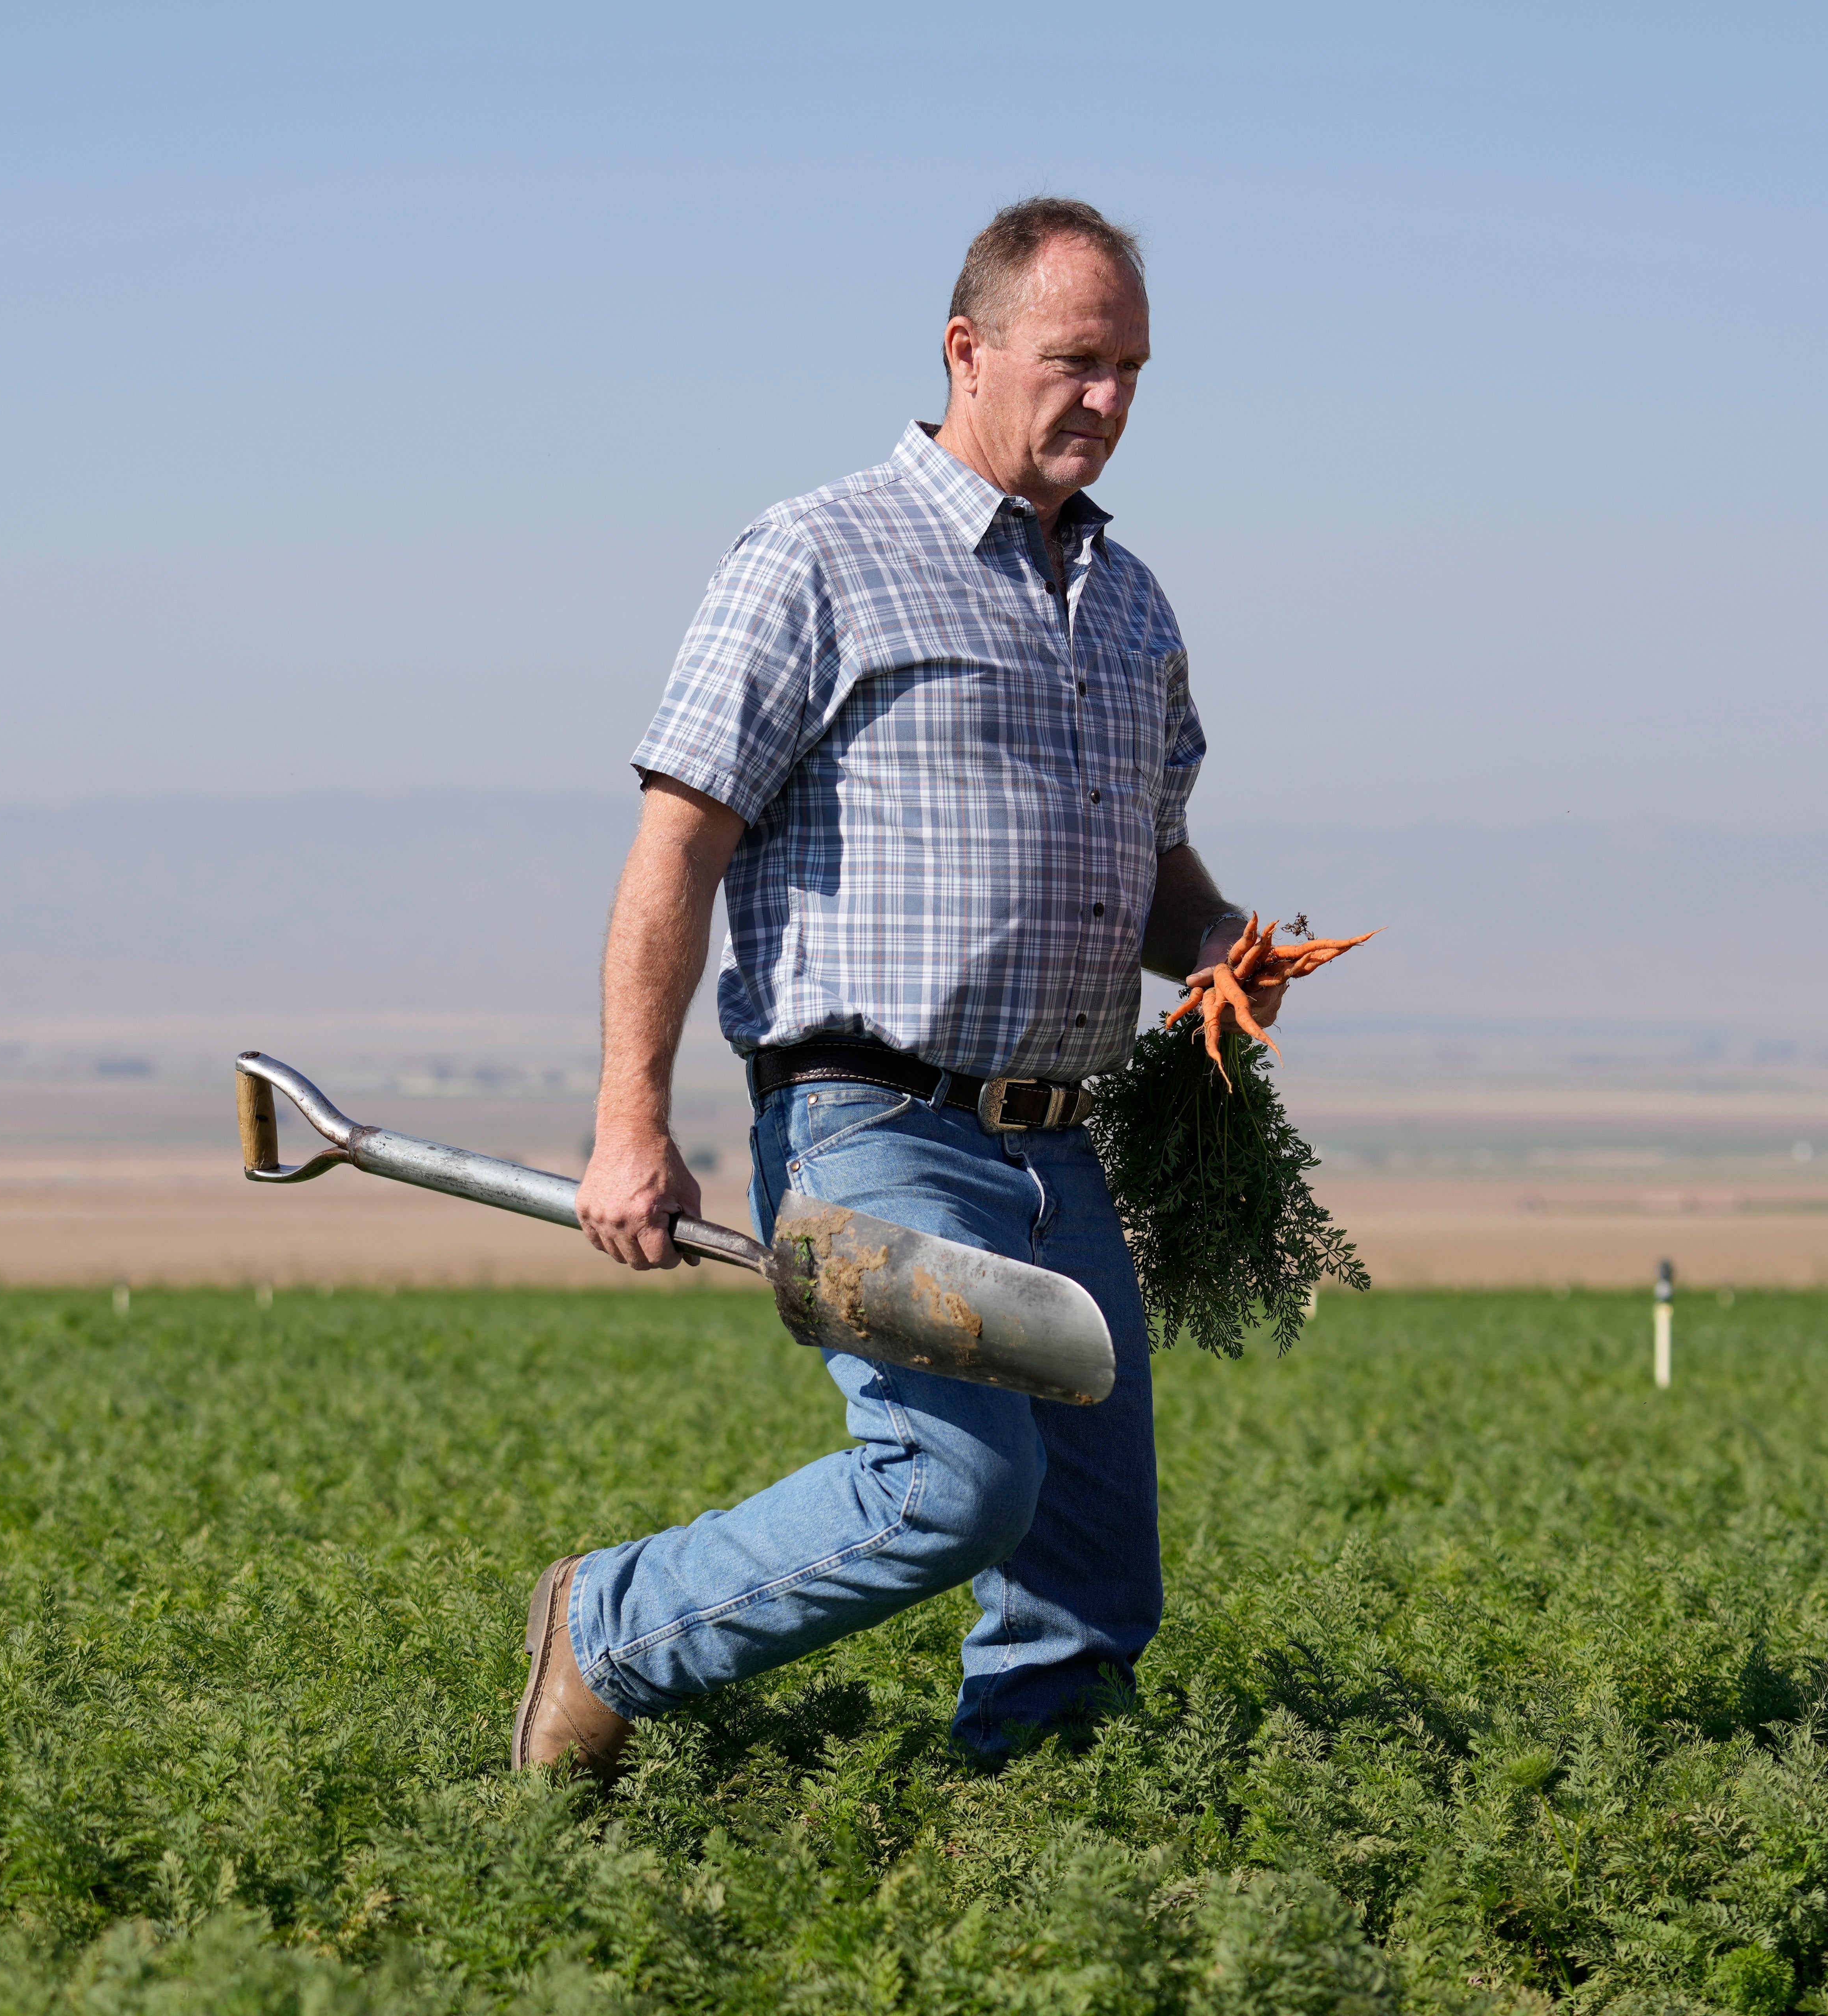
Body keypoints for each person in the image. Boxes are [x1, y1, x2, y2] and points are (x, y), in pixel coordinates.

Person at [511, 197, 1285, 1778]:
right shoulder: (816, 555)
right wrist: (626, 1124)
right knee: (949, 1483)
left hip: (1063, 1146)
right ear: (966, 350)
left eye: (1132, 368)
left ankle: (1024, 1846)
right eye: (1076, 361)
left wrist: (1213, 946)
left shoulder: (1132, 607)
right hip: (874, 1120)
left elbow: (1154, 871)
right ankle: (608, 1628)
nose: (1109, 400)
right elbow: (674, 853)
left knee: (1086, 1572)